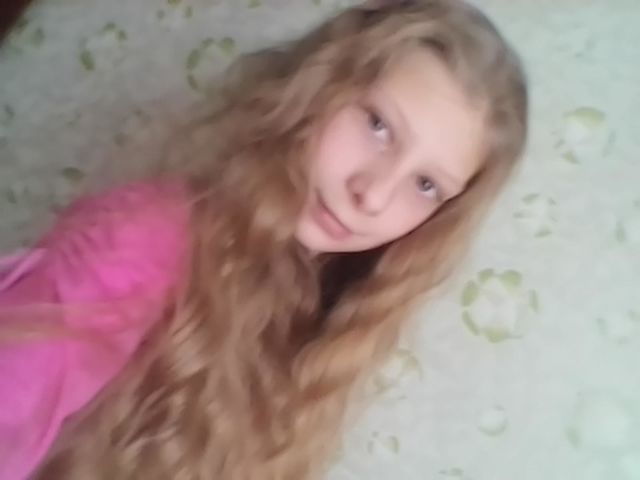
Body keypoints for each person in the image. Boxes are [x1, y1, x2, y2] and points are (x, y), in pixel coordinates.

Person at [0, 0, 528, 478]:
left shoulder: (324, 322)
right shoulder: (143, 240)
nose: (373, 194)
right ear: (320, 85)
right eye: (378, 125)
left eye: (426, 185)